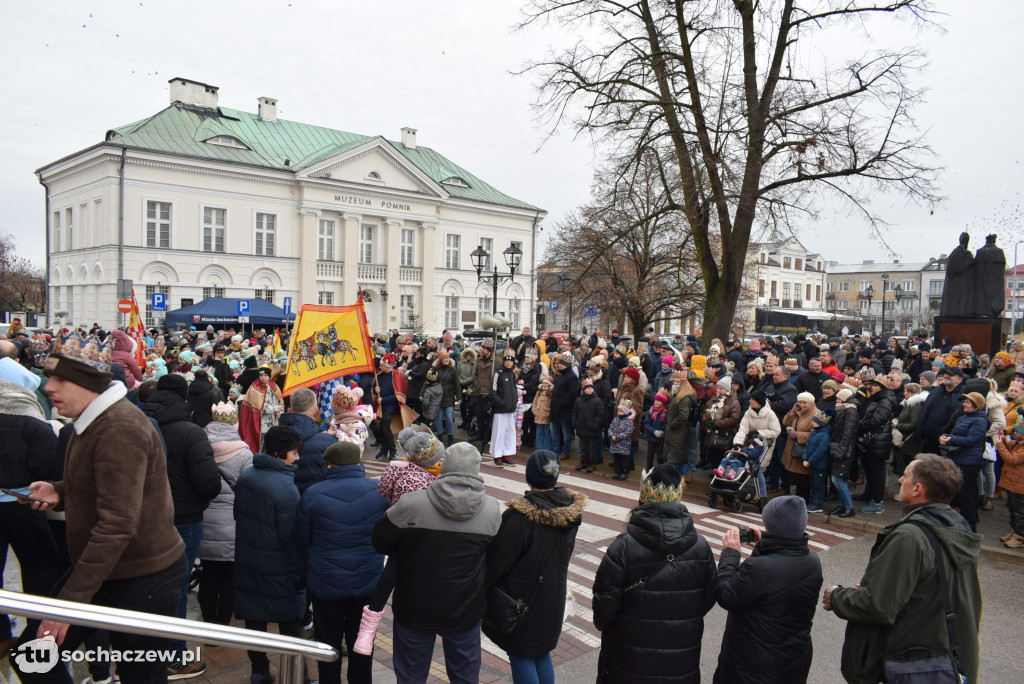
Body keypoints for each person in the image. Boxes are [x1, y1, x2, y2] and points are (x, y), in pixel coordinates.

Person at [15, 332, 189, 684]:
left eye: (59, 379)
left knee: (140, 676)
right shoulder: (95, 418)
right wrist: (60, 491)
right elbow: (107, 486)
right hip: (108, 570)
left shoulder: (118, 427)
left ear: (88, 385)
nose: (48, 388)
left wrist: (69, 605)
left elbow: (117, 524)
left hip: (142, 580)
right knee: (31, 658)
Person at [824, 454, 982, 684]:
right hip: (944, 657)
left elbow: (878, 605)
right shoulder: (956, 526)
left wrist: (837, 596)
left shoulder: (910, 537)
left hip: (911, 663)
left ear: (918, 488)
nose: (899, 480)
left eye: (905, 476)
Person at [372, 443, 502, 684]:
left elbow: (380, 540)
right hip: (465, 608)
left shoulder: (411, 504)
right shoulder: (493, 510)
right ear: (476, 470)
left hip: (414, 606)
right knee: (465, 677)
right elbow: (495, 560)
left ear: (444, 467)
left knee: (411, 676)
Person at [592, 465, 718, 683]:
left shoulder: (623, 547)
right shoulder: (701, 546)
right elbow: (708, 597)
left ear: (643, 497)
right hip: (681, 660)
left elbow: (604, 611)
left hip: (628, 660)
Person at [484, 451, 586, 684]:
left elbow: (496, 564)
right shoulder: (570, 512)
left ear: (529, 478)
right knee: (540, 654)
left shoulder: (520, 518)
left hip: (522, 601)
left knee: (521, 656)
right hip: (552, 596)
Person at [142, 373, 219, 671]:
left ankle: (142, 650)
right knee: (176, 586)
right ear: (184, 396)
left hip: (144, 517)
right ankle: (174, 654)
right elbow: (208, 482)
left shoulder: (136, 423)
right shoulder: (190, 431)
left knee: (146, 585)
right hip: (182, 518)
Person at [295, 441, 390, 684]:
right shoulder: (379, 491)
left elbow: (302, 538)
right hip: (367, 581)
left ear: (330, 465)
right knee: (361, 641)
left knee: (327, 641)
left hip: (326, 582)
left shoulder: (313, 493)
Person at [713, 496, 822, 684]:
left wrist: (731, 553)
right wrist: (765, 544)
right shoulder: (812, 561)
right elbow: (770, 577)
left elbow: (727, 595)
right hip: (793, 658)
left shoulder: (760, 568)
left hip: (753, 665)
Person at [233, 425, 310, 684]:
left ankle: (260, 672)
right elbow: (291, 537)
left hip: (248, 562)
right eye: (293, 453)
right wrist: (302, 572)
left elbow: (238, 517)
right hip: (279, 568)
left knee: (255, 623)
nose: (297, 457)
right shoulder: (285, 488)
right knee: (290, 625)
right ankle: (299, 676)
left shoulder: (247, 476)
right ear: (278, 453)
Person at [197, 401, 253, 627]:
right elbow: (248, 491)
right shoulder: (244, 452)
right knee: (230, 575)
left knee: (209, 573)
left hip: (204, 522)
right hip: (233, 524)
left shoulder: (198, 445)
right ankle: (222, 622)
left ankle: (209, 621)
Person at [938, 391, 990, 533]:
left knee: (966, 495)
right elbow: (956, 434)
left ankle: (970, 527)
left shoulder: (980, 420)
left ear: (976, 405)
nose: (964, 404)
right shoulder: (964, 418)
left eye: (967, 402)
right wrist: (946, 437)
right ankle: (958, 521)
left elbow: (971, 440)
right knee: (957, 492)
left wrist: (951, 439)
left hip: (969, 462)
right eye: (965, 401)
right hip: (957, 458)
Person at [278, 387, 335, 495]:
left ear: (289, 411)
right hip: (317, 503)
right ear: (316, 413)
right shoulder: (328, 442)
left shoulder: (273, 439)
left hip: (283, 504)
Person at [829, 389, 860, 518]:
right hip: (840, 448)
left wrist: (841, 451)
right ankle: (842, 505)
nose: (836, 401)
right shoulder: (844, 410)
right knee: (838, 477)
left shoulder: (850, 411)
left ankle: (849, 507)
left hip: (845, 450)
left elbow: (848, 433)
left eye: (838, 399)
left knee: (837, 478)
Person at [238, 366, 283, 454]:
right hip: (261, 424)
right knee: (261, 444)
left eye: (265, 375)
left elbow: (280, 401)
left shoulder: (274, 386)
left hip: (273, 422)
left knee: (271, 444)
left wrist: (280, 411)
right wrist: (277, 409)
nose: (263, 377)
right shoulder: (255, 388)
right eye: (261, 375)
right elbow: (262, 407)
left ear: (269, 376)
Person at [995, 414, 1024, 548]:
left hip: (1020, 485)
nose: (1015, 432)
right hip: (1013, 483)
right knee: (1012, 509)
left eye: (1018, 431)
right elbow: (1010, 446)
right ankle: (1013, 531)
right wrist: (1004, 440)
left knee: (1019, 511)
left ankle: (1020, 536)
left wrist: (1000, 444)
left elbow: (1012, 459)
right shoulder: (1017, 443)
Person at [491, 349, 520, 467]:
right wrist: (502, 403)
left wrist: (514, 402)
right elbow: (492, 392)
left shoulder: (512, 374)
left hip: (510, 409)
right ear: (504, 361)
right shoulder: (498, 373)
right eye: (506, 361)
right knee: (499, 433)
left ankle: (506, 455)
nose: (508, 363)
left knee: (509, 433)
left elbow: (514, 389)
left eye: (511, 361)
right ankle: (497, 456)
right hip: (500, 409)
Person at [573, 378, 605, 473]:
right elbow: (574, 412)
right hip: (581, 427)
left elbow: (600, 415)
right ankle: (583, 462)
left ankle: (591, 464)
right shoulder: (579, 400)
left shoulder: (597, 401)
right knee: (583, 447)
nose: (589, 390)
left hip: (592, 429)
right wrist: (575, 423)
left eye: (591, 388)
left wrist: (595, 425)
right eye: (587, 388)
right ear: (584, 390)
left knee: (592, 447)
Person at [550, 356, 579, 461]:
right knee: (554, 430)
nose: (559, 365)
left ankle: (565, 452)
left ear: (567, 365)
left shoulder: (572, 377)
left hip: (565, 410)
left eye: (562, 364)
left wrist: (562, 403)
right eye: (559, 363)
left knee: (566, 432)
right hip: (556, 409)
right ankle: (555, 450)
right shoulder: (560, 376)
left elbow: (572, 394)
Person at [607, 400, 636, 481]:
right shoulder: (615, 419)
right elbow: (610, 428)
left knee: (624, 460)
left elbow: (628, 432)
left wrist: (617, 437)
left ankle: (624, 472)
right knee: (616, 459)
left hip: (623, 444)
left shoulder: (629, 421)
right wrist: (611, 435)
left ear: (626, 412)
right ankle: (617, 472)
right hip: (615, 443)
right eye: (618, 411)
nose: (618, 412)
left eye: (620, 411)